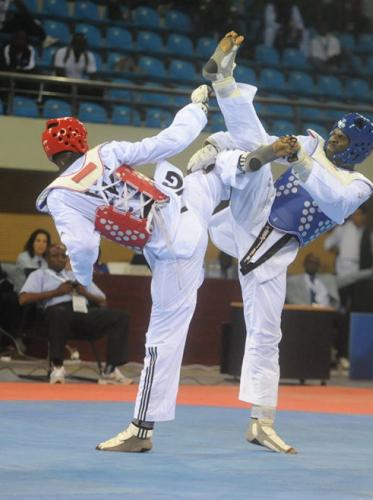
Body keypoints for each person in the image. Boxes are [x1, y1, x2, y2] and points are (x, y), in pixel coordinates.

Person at [35, 82, 286, 452]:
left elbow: (84, 246)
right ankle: (245, 162)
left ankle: (141, 429)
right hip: (185, 202)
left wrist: (84, 279)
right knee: (211, 172)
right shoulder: (107, 152)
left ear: (50, 154)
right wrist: (197, 107)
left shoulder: (61, 194)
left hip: (176, 251)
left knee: (162, 339)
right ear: (82, 142)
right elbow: (172, 140)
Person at [193, 31, 373, 454]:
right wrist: (215, 141)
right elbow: (263, 141)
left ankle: (261, 421)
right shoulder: (311, 143)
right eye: (333, 133)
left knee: (265, 333)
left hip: (273, 250)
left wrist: (298, 159)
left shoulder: (358, 185)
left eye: (342, 139)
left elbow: (331, 198)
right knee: (255, 148)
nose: (332, 139)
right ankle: (223, 79)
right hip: (251, 218)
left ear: (359, 150)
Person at [19, 243, 133, 384]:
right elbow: (23, 299)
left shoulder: (77, 275)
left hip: (82, 313)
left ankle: (111, 369)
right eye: (55, 256)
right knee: (58, 313)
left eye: (63, 256)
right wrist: (57, 292)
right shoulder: (39, 274)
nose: (60, 259)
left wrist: (84, 292)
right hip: (56, 313)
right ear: (46, 258)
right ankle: (58, 367)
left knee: (121, 316)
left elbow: (103, 301)